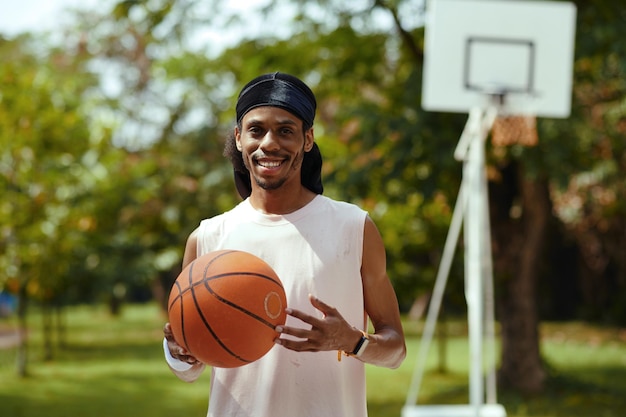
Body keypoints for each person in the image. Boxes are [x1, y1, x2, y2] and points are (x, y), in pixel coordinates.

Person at [163, 72, 406, 417]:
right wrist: (178, 350)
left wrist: (352, 341)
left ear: (308, 139)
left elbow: (396, 349)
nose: (269, 144)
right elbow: (190, 369)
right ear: (238, 137)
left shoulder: (353, 227)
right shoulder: (207, 237)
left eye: (286, 130)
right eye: (256, 130)